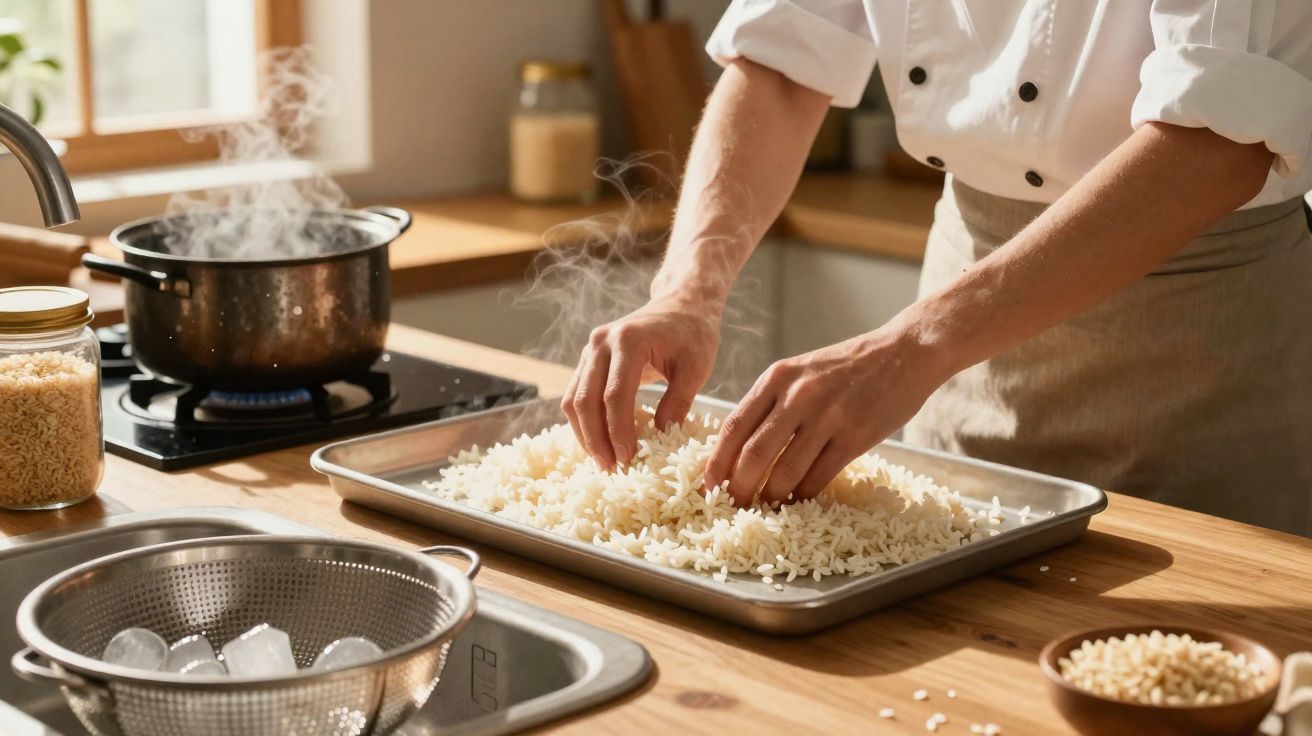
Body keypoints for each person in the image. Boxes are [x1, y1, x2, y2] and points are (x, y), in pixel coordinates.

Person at [562, 0, 1312, 536]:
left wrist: (915, 346)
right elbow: (785, 62)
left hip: (1196, 346)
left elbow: (1215, 147)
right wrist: (688, 290)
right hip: (960, 340)